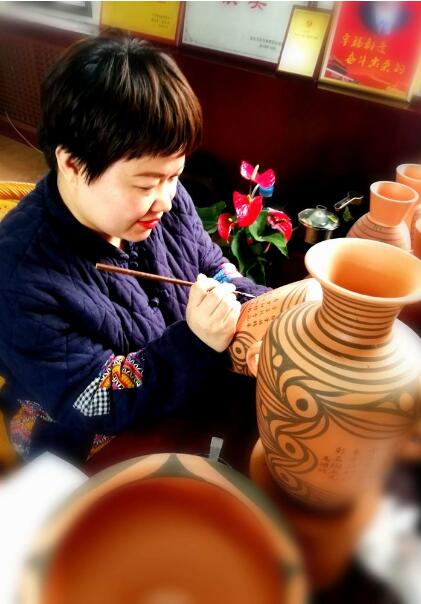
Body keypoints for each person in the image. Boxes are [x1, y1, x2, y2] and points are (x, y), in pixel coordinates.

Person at [0, 35, 267, 464]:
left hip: (177, 383)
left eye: (174, 175)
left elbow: (213, 267)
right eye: (145, 184)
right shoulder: (17, 276)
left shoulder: (162, 203)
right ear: (71, 164)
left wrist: (264, 309)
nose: (166, 200)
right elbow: (92, 399)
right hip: (77, 437)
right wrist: (196, 343)